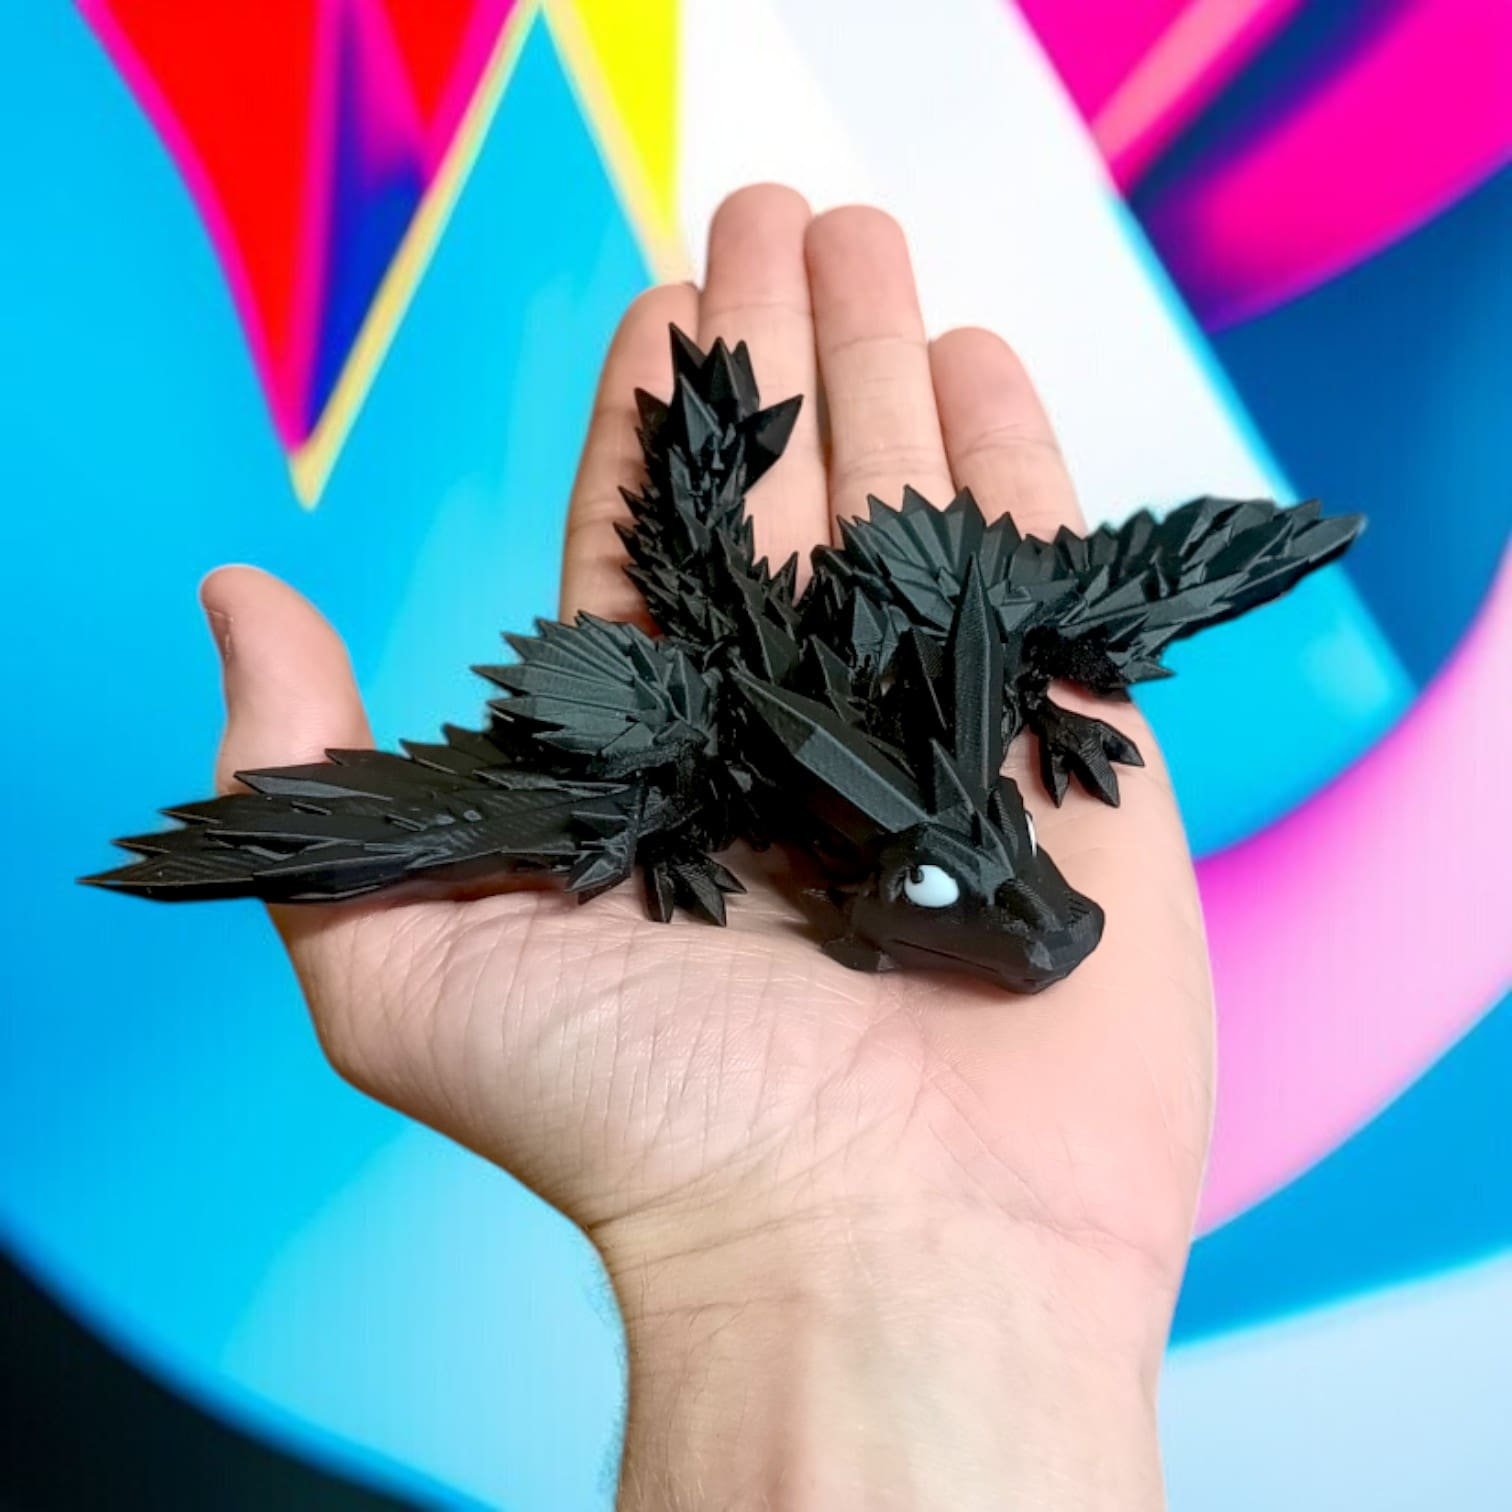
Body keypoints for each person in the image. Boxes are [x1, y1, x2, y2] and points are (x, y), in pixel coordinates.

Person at [199, 186, 1213, 1510]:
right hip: (694, 714)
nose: (1049, 923)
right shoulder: (721, 795)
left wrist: (1046, 715)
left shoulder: (953, 760)